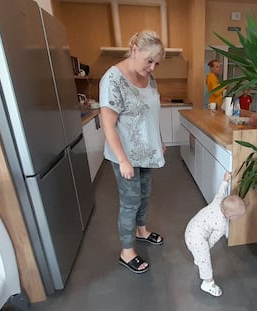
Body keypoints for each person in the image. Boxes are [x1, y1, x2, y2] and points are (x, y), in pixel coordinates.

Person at [99, 30, 166, 274]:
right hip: (124, 155)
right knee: (130, 201)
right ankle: (126, 251)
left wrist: (158, 140)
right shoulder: (113, 79)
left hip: (147, 151)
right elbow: (107, 124)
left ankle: (141, 231)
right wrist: (123, 160)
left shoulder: (150, 78)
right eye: (149, 61)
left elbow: (151, 112)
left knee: (145, 193)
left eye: (156, 63)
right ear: (135, 49)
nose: (152, 68)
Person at [184, 172, 246, 297]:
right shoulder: (222, 225)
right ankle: (207, 283)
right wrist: (205, 248)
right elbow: (211, 240)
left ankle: (198, 257)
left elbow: (221, 191)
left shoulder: (219, 201)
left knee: (199, 252)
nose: (239, 218)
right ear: (230, 216)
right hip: (197, 239)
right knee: (205, 259)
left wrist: (225, 180)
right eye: (238, 216)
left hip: (190, 228)